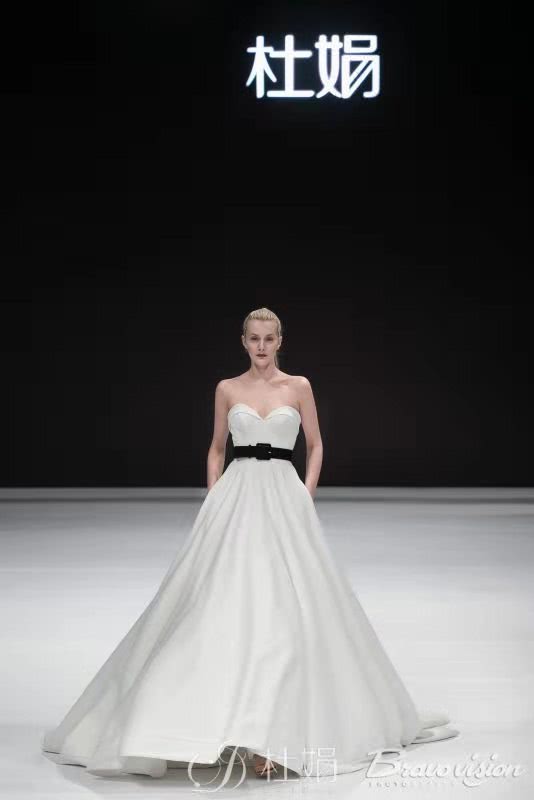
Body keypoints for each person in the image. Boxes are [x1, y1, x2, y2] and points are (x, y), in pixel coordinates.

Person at [41, 306, 459, 782]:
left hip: (284, 497)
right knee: (219, 606)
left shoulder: (298, 387)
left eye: (269, 338)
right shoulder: (227, 389)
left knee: (286, 609)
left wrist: (305, 495)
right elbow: (217, 447)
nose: (261, 346)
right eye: (254, 338)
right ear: (243, 341)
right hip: (236, 496)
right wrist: (214, 497)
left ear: (280, 341)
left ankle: (271, 738)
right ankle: (210, 725)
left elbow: (316, 445)